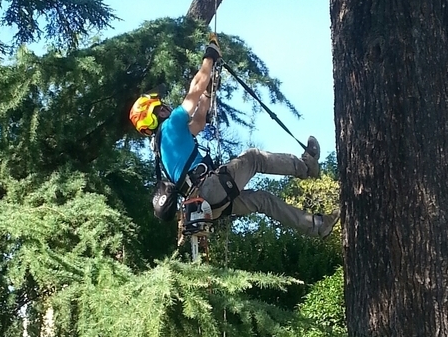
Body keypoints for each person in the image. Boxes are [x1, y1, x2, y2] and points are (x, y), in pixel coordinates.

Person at [129, 38, 339, 238]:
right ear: (156, 113)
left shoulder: (163, 145)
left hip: (206, 204)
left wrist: (208, 94)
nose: (165, 105)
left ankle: (318, 226)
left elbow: (199, 122)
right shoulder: (171, 124)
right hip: (209, 188)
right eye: (160, 106)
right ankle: (306, 166)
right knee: (254, 158)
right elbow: (195, 88)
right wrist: (209, 57)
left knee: (263, 200)